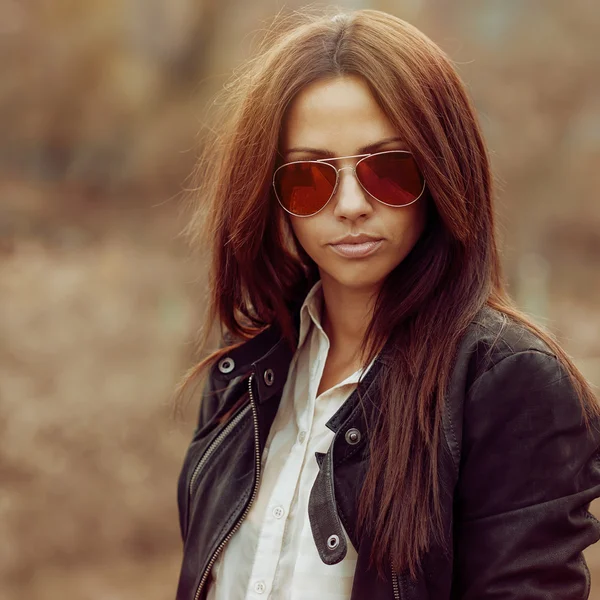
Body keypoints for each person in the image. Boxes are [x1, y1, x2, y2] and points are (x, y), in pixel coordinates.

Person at [174, 8, 600, 600]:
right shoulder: (245, 368)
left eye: (388, 170)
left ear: (443, 168)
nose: (350, 203)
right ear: (270, 193)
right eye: (309, 177)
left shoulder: (506, 382)